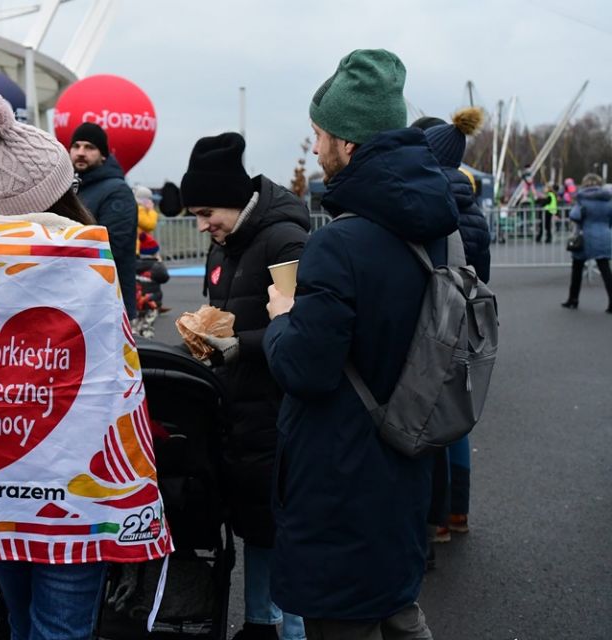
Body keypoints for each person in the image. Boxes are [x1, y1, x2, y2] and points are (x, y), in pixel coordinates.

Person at [264, 49, 459, 639]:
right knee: (396, 606)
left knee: (344, 617)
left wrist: (281, 317)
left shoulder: (339, 244)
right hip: (408, 451)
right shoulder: (435, 229)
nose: (316, 146)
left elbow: (307, 368)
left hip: (340, 473)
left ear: (348, 144)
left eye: (320, 133)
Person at [0, 87, 139, 640]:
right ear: (65, 192)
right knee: (61, 628)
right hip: (70, 492)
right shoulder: (89, 270)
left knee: (19, 621)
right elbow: (117, 382)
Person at [181, 131, 310, 640]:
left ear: (237, 200)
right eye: (194, 214)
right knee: (256, 520)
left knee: (279, 523)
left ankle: (291, 629)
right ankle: (261, 622)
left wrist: (238, 345)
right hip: (237, 404)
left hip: (277, 406)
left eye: (207, 211)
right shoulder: (225, 242)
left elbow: (303, 330)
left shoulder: (285, 241)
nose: (201, 224)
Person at [414, 108, 492, 551]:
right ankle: (458, 513)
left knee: (432, 420)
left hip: (438, 320)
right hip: (470, 318)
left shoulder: (431, 199)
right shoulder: (471, 202)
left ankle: (437, 518)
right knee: (459, 421)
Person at [71, 122, 138, 319]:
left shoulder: (117, 190)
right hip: (78, 296)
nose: (81, 152)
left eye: (89, 147)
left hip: (108, 300)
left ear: (103, 155)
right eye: (76, 146)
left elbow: (111, 246)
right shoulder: (70, 188)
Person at [561, 173, 612, 312]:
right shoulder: (608, 199)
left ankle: (573, 299)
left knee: (577, 269)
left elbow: (574, 215)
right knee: (606, 270)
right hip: (604, 235)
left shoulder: (582, 199)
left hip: (585, 236)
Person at [134, 185, 158, 255]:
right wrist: (151, 211)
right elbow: (150, 225)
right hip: (139, 246)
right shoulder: (140, 209)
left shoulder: (139, 209)